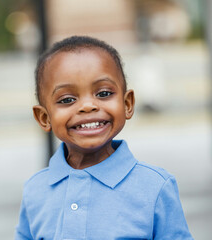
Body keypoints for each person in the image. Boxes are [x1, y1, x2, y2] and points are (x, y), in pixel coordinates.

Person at [15, 36, 193, 240]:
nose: (88, 106)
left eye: (103, 93)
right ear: (44, 117)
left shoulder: (156, 187)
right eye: (67, 99)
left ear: (127, 104)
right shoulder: (35, 190)